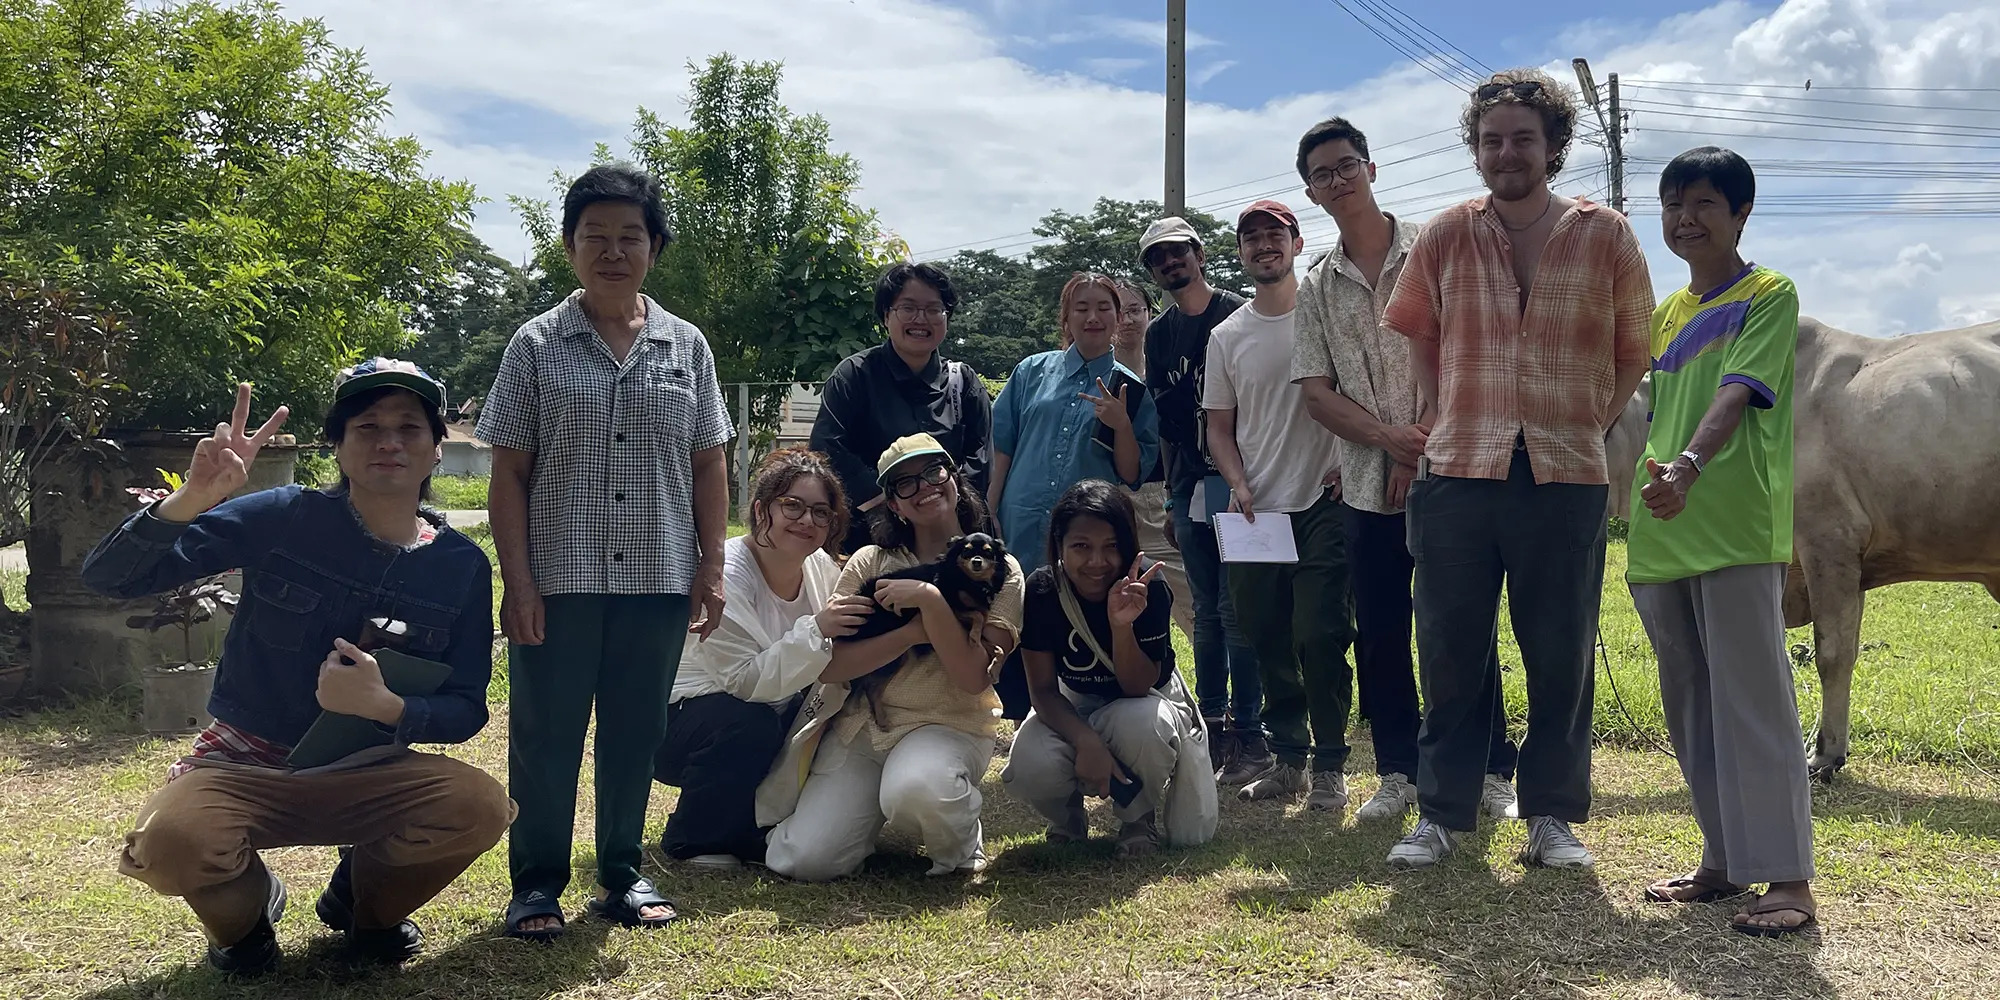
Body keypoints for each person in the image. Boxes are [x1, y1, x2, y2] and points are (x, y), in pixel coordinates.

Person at [82, 365, 511, 975]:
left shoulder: (459, 567)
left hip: (369, 770)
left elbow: (468, 706)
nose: (389, 441)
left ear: (437, 448)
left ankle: (367, 910)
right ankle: (248, 922)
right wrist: (194, 496)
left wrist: (387, 708)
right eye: (367, 427)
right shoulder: (284, 515)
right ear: (337, 445)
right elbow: (109, 577)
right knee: (172, 842)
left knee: (477, 804)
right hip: (245, 764)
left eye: (408, 428)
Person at [1381, 69, 1653, 869]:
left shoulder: (1607, 235)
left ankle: (1553, 817)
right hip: (1459, 471)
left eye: (1523, 139)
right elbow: (1418, 330)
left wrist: (1592, 425)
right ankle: (1441, 813)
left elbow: (1632, 351)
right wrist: (1439, 414)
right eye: (1492, 140)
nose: (1507, 153)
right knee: (1451, 648)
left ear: (1554, 147)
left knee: (1561, 653)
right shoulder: (1445, 234)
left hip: (1567, 475)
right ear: (1475, 150)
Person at [477, 162, 733, 939]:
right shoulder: (536, 344)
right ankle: (537, 884)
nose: (613, 251)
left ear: (655, 247)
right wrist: (517, 581)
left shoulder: (685, 347)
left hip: (657, 575)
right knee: (546, 735)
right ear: (569, 246)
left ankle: (621, 871)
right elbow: (509, 471)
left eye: (631, 237)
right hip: (560, 577)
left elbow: (708, 462)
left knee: (635, 733)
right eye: (596, 236)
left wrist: (711, 563)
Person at [1288, 116, 1521, 824]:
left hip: (1451, 473)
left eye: (1347, 164)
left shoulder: (1440, 248)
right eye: (1322, 174)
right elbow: (1316, 392)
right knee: (1382, 633)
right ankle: (1398, 771)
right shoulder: (1317, 287)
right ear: (1311, 192)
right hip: (1364, 486)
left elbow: (1468, 349)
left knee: (1461, 626)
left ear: (1372, 169)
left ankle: (1492, 769)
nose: (1337, 180)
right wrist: (1390, 442)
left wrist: (1418, 447)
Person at [1627, 147, 1816, 936]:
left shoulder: (1768, 295)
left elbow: (1736, 395)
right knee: (1692, 706)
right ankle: (1722, 862)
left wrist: (1691, 465)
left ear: (1741, 213)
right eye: (1672, 204)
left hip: (1733, 528)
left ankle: (1791, 883)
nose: (1685, 218)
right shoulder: (1665, 315)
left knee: (1754, 704)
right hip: (1661, 530)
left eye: (1704, 203)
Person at [764, 434, 1025, 880]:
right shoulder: (869, 562)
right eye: (904, 484)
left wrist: (927, 597)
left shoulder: (1004, 569)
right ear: (894, 504)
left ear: (955, 481)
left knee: (919, 789)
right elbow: (832, 665)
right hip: (863, 727)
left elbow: (972, 677)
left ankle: (958, 842)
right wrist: (911, 632)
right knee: (804, 860)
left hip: (949, 723)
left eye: (933, 472)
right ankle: (863, 816)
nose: (923, 486)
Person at [652, 448, 874, 869]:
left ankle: (759, 821)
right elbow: (747, 683)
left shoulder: (821, 569)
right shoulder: (726, 575)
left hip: (770, 710)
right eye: (791, 505)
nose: (806, 520)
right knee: (747, 722)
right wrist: (818, 628)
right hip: (677, 725)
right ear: (760, 508)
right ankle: (692, 837)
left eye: (820, 512)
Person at [1203, 199, 1354, 811]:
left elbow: (1360, 392)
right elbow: (1218, 427)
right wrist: (1237, 482)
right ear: (1240, 252)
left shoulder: (1327, 315)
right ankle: (1289, 759)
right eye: (1252, 238)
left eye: (1275, 235)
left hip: (1325, 498)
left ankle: (1331, 766)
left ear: (1295, 243)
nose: (1264, 245)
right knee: (1267, 638)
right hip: (1255, 513)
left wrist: (1351, 457)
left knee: (1320, 634)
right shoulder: (1226, 335)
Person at [987, 272, 1160, 719]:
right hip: (1021, 513)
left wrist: (1122, 424)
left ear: (1119, 318)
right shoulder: (1031, 371)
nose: (1093, 316)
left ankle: (1066, 702)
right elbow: (1003, 440)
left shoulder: (1132, 389)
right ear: (1065, 317)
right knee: (1011, 602)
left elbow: (1132, 472)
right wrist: (991, 504)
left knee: (1066, 609)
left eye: (1104, 307)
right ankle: (1009, 707)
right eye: (1081, 308)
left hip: (1085, 532)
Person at [1139, 218, 1270, 785]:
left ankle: (1252, 734)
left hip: (1244, 484)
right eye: (1157, 259)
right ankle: (1214, 731)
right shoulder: (1158, 335)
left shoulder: (1239, 314)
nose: (1171, 263)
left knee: (1242, 613)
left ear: (1198, 253)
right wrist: (1171, 496)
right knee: (1208, 614)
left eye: (1177, 252)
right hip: (1192, 488)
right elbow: (1169, 421)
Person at [812, 261, 994, 556]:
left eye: (933, 309)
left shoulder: (964, 383)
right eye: (908, 308)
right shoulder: (854, 376)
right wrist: (898, 504)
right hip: (867, 543)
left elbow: (979, 463)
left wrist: (937, 511)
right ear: (886, 315)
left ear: (946, 318)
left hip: (949, 549)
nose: (921, 319)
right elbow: (828, 450)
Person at [1111, 276, 1195, 650]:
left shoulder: (1169, 367)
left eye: (1135, 310)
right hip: (1112, 499)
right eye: (1119, 311)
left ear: (1150, 313)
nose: (1127, 319)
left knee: (1193, 603)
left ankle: (1221, 698)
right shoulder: (1096, 375)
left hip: (1164, 497)